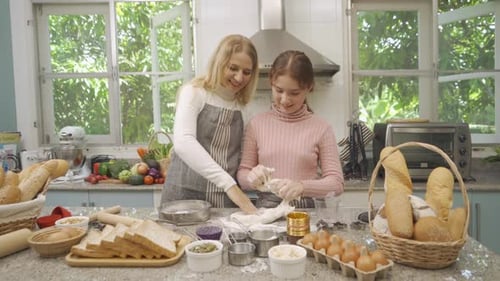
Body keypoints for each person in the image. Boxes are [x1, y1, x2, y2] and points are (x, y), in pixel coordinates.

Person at [161, 34, 259, 214]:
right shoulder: (194, 93)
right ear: (219, 63)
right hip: (184, 195)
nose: (239, 78)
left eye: (247, 72)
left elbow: (244, 158)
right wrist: (229, 185)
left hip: (223, 199)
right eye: (233, 68)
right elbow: (184, 142)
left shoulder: (244, 108)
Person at [237, 50, 344, 208]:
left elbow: (336, 183)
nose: (285, 100)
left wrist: (301, 186)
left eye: (294, 93)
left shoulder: (321, 128)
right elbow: (242, 174)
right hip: (265, 213)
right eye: (279, 91)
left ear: (309, 88)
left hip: (306, 213)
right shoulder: (256, 124)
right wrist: (251, 178)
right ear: (271, 83)